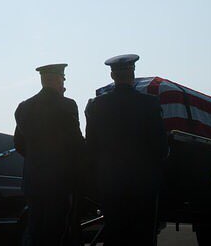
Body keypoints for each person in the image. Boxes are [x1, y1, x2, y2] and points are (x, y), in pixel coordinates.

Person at [85, 54, 167, 246]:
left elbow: (91, 148)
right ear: (133, 74)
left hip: (111, 184)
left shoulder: (96, 106)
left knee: (115, 233)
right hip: (143, 185)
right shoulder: (150, 103)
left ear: (112, 76)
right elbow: (161, 148)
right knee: (143, 236)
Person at [14, 63, 84, 246]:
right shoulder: (67, 105)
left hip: (33, 179)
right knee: (57, 229)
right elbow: (75, 142)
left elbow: (19, 145)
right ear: (59, 79)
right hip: (59, 181)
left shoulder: (24, 107)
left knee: (36, 227)